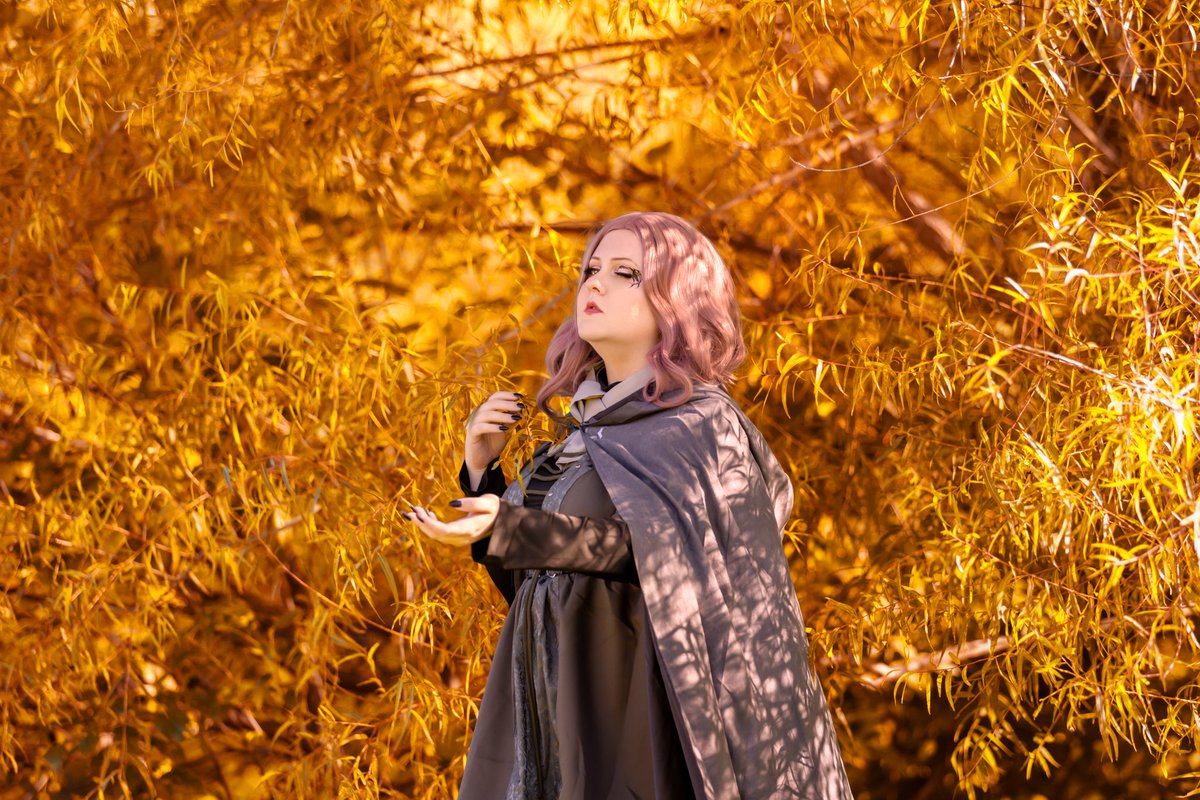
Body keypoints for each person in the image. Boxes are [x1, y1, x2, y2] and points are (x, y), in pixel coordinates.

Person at [403, 212, 855, 799]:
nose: (595, 283)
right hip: (555, 709)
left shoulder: (702, 428)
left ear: (678, 300)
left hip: (640, 715)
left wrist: (519, 529)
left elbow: (663, 553)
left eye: (626, 274)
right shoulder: (577, 435)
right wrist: (483, 475)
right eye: (591, 269)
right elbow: (535, 587)